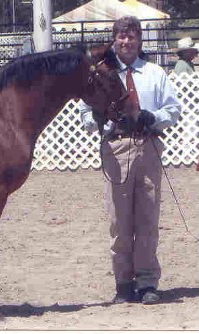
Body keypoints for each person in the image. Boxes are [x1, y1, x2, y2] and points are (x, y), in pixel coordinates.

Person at [79, 16, 181, 305]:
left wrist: (155, 117)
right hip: (116, 148)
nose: (127, 42)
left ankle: (147, 282)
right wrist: (98, 119)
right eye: (121, 37)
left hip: (148, 147)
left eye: (132, 37)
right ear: (115, 40)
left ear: (139, 40)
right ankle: (123, 282)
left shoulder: (154, 73)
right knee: (119, 221)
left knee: (147, 219)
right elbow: (85, 115)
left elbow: (173, 109)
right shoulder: (102, 73)